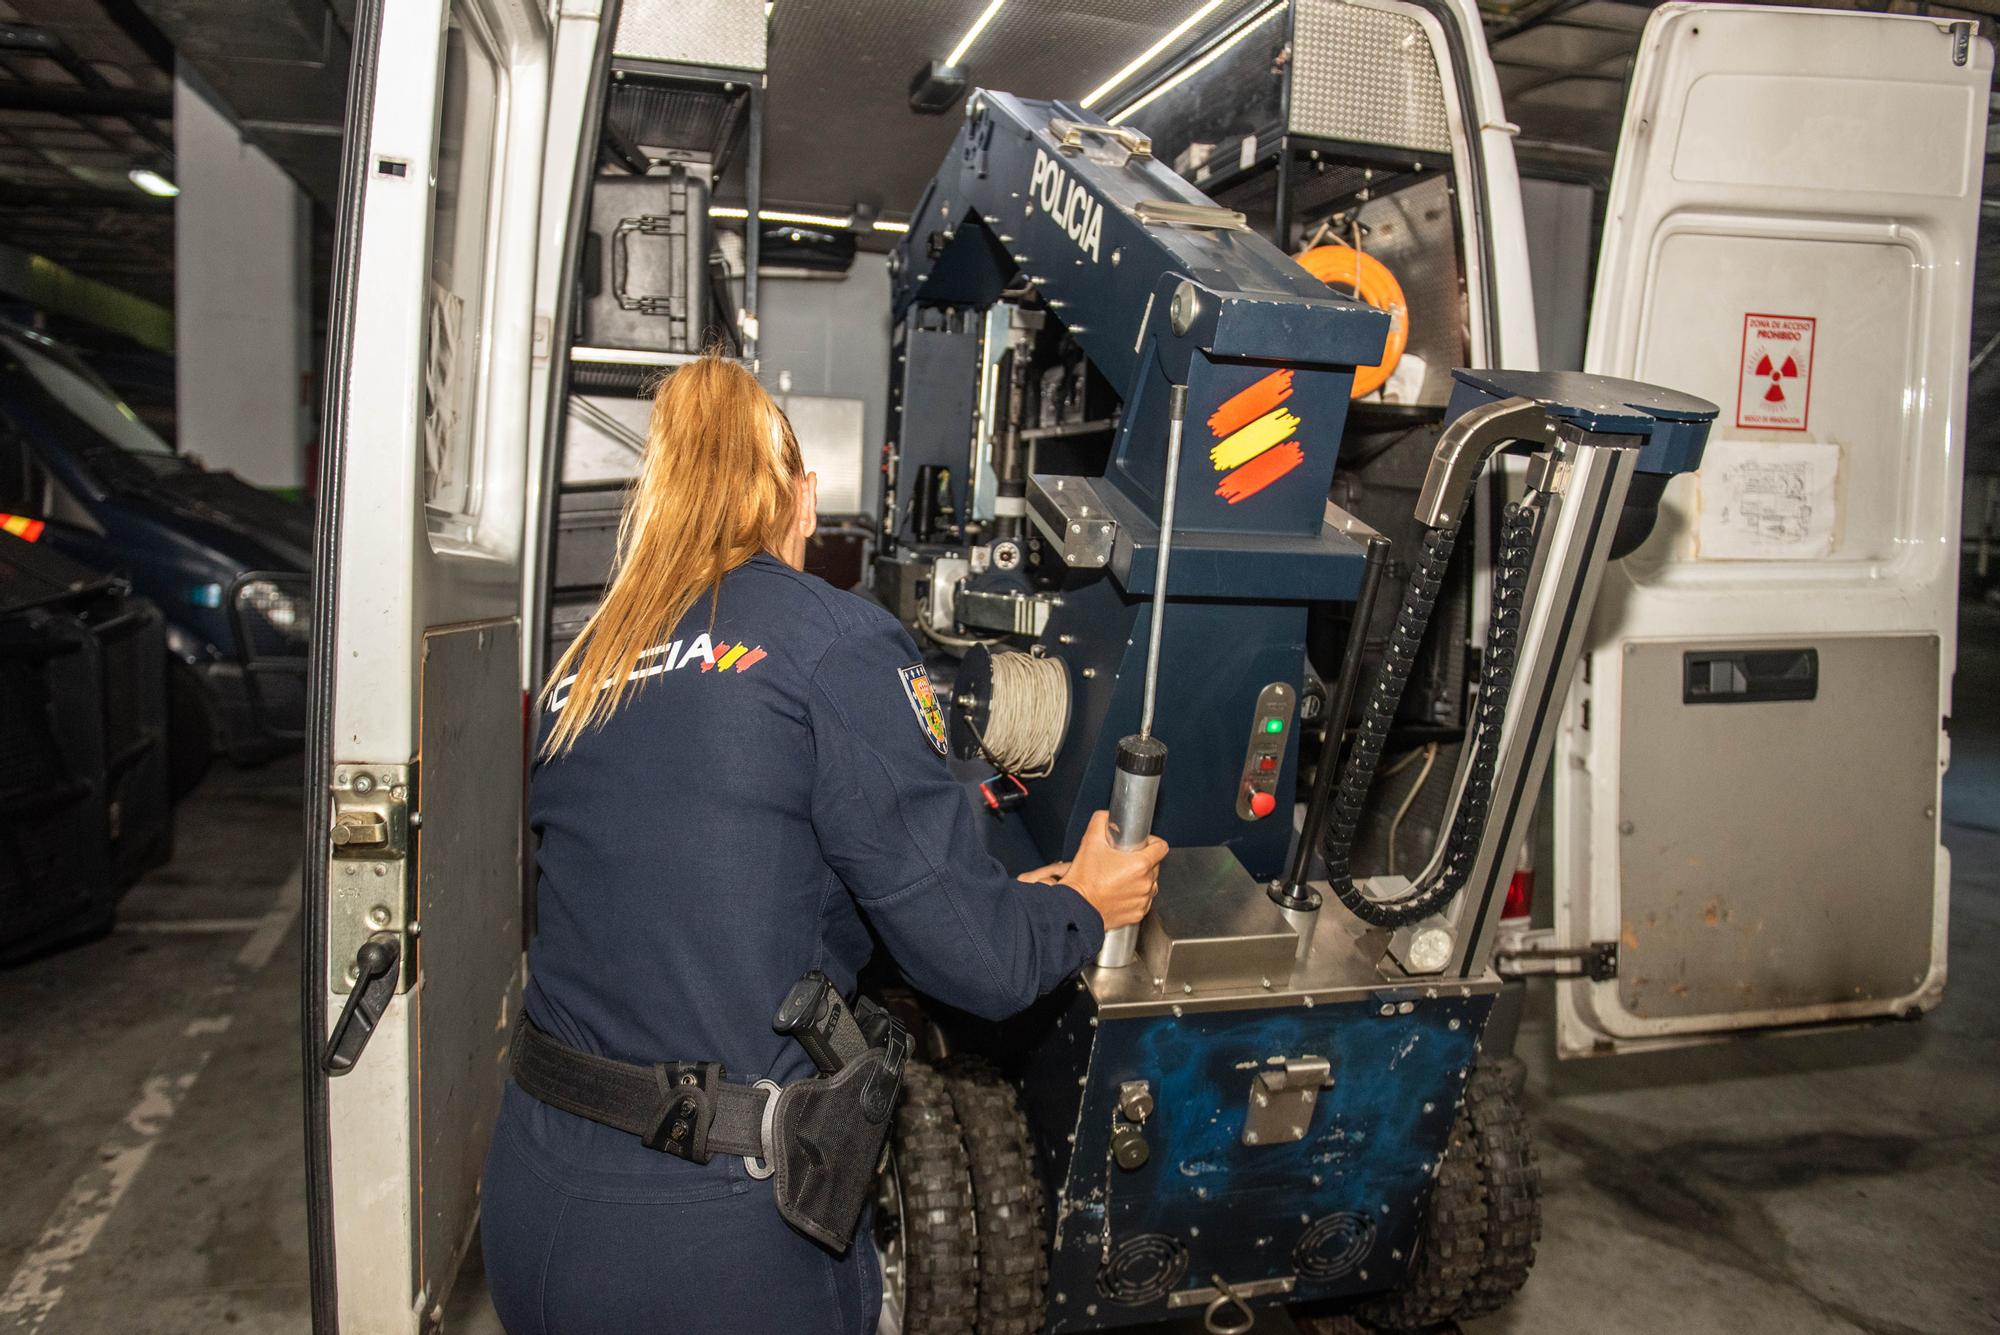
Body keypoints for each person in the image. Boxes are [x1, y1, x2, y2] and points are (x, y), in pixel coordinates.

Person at [479, 352, 1168, 1334]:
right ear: (799, 496)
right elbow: (977, 964)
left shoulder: (585, 660)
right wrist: (1078, 904)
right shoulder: (834, 641)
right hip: (708, 1238)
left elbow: (712, 888)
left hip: (535, 1196)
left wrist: (1002, 895)